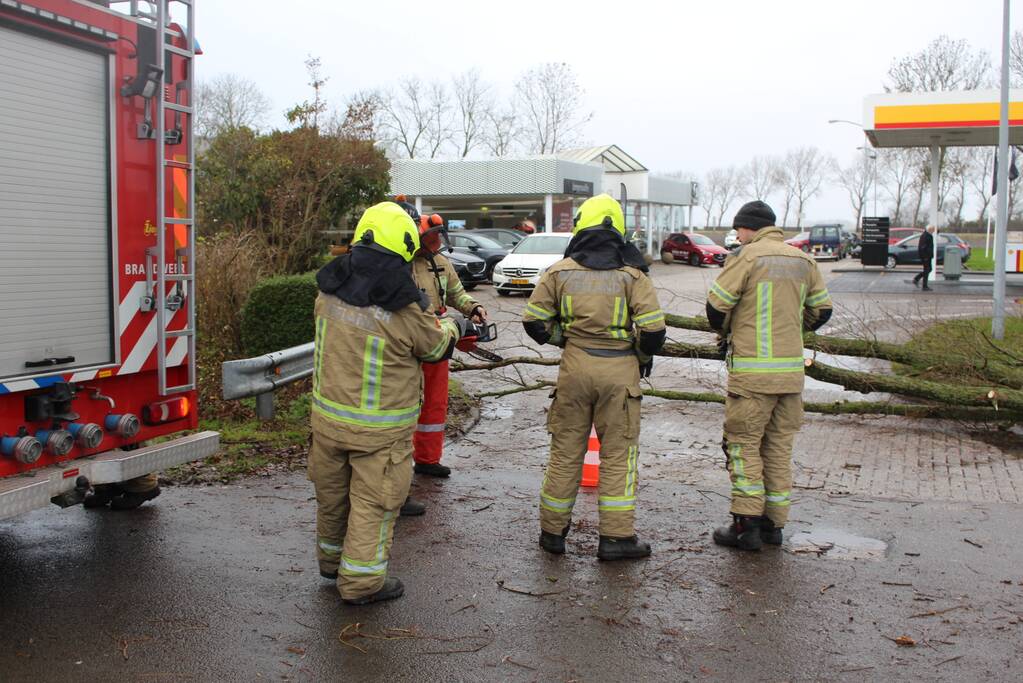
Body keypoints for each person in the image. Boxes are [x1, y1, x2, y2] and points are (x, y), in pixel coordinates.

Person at [309, 201, 466, 605]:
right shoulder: (403, 308)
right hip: (378, 431)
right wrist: (454, 323)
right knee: (373, 503)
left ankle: (331, 563)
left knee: (332, 494)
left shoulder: (329, 292)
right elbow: (435, 348)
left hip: (327, 422)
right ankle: (361, 582)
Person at [522, 194, 666, 561]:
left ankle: (552, 533)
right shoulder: (633, 274)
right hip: (619, 372)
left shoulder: (559, 272)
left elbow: (534, 322)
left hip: (574, 369)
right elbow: (652, 332)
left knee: (565, 451)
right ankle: (616, 539)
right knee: (618, 455)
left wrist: (566, 340)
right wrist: (640, 355)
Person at [706, 200, 832, 551]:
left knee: (744, 446)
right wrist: (794, 330)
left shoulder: (745, 257)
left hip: (752, 375)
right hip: (790, 374)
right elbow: (822, 310)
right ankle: (773, 526)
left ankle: (745, 527)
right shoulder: (803, 260)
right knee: (777, 448)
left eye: (739, 230)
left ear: (748, 228)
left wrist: (730, 331)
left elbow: (715, 307)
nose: (738, 236)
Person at [395, 200, 487, 482]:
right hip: (411, 339)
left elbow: (457, 293)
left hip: (438, 337)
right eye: (432, 236)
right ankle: (399, 463)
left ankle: (428, 459)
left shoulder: (441, 263)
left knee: (435, 402)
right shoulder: (403, 264)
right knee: (407, 402)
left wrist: (473, 308)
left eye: (438, 236)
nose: (437, 241)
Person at [914, 225, 936, 291]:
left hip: (928, 256)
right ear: (930, 230)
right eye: (933, 230)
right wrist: (925, 256)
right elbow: (922, 247)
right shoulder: (926, 236)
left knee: (929, 269)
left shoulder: (927, 235)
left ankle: (917, 278)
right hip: (926, 257)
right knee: (927, 270)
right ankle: (924, 286)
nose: (934, 231)